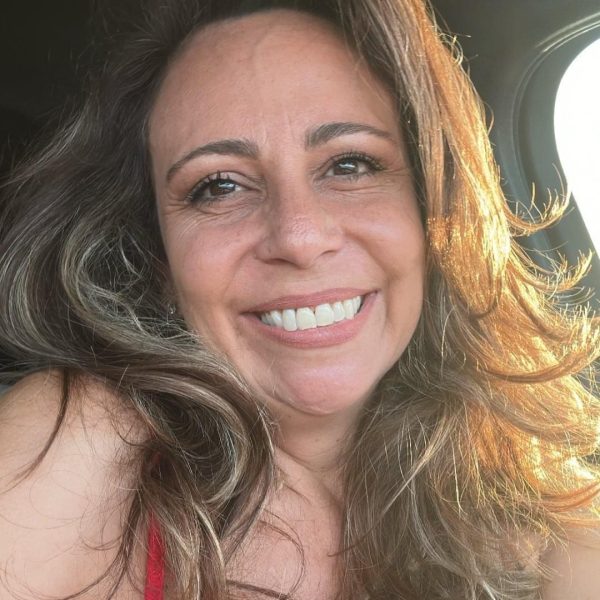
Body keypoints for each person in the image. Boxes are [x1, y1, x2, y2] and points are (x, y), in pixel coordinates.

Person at [0, 0, 599, 598]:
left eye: (351, 164)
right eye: (219, 185)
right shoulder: (81, 431)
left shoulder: (549, 513)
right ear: (156, 254)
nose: (299, 237)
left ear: (432, 211)